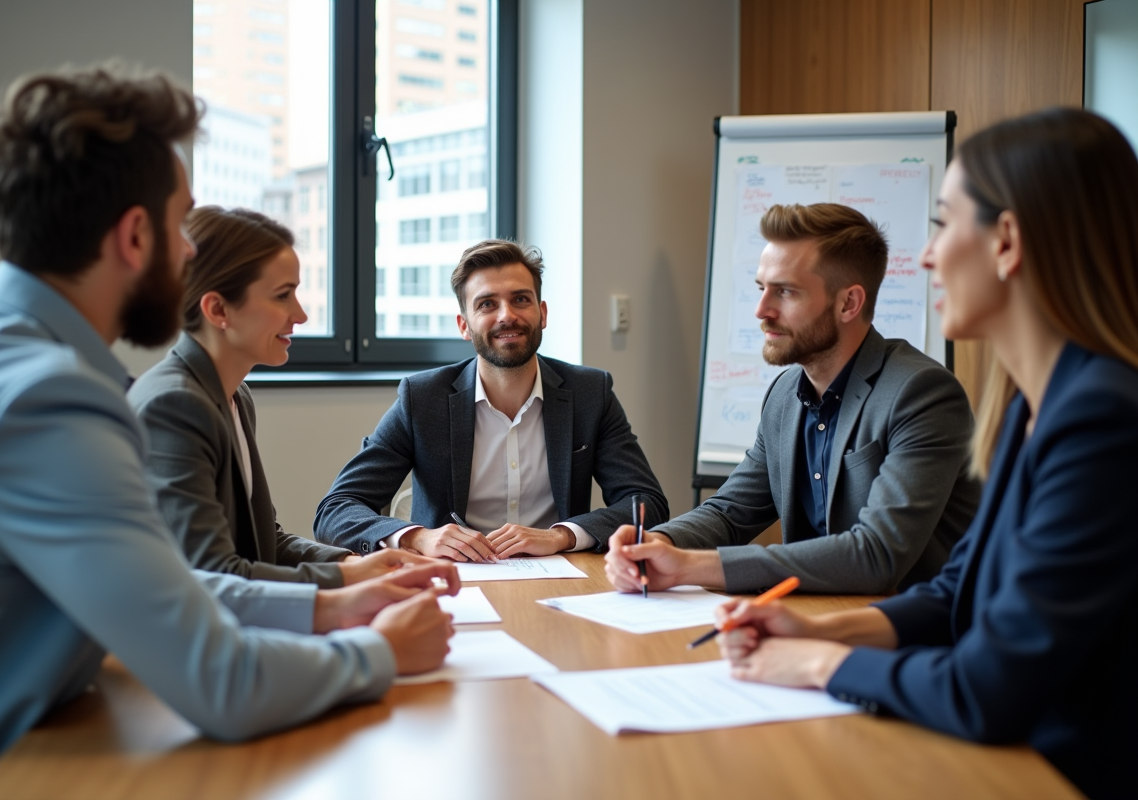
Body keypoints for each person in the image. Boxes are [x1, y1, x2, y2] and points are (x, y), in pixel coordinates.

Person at [0, 64, 456, 798]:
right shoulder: (48, 402)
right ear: (135, 234)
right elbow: (221, 683)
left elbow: (165, 586)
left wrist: (326, 602)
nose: (189, 251)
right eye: (182, 223)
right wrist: (378, 652)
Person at [713, 108, 1138, 800]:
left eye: (943, 224)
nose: (929, 255)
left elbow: (987, 688)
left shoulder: (1102, 418)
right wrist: (817, 624)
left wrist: (819, 662)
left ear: (1006, 242)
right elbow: (955, 594)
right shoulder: (1036, 406)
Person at [606, 203, 980, 595]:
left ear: (849, 303)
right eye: (761, 288)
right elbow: (730, 513)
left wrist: (691, 566)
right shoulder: (785, 394)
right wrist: (659, 544)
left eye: (785, 291)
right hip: (813, 618)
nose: (761, 310)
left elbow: (877, 555)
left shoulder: (921, 393)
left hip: (916, 633)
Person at [129, 206, 438, 587]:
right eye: (282, 295)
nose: (302, 314)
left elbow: (263, 543)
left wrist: (351, 562)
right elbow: (215, 575)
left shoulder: (235, 396)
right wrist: (342, 583)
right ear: (218, 309)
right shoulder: (174, 405)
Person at [314, 239, 668, 561]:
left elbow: (645, 503)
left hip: (562, 576)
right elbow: (337, 509)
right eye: (487, 304)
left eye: (520, 299)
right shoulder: (422, 399)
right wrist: (417, 538)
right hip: (452, 582)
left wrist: (560, 536)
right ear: (464, 325)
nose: (506, 315)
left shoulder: (591, 392)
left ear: (542, 313)